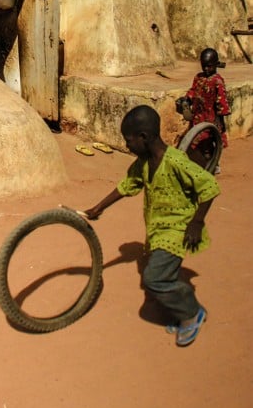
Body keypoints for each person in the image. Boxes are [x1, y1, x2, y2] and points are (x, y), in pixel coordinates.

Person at [83, 105, 220, 347]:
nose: (127, 146)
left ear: (144, 138)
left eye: (129, 140)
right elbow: (127, 186)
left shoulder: (177, 161)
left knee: (154, 278)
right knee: (161, 272)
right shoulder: (144, 163)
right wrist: (99, 207)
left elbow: (209, 186)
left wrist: (197, 222)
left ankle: (191, 313)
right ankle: (183, 305)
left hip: (178, 229)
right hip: (157, 230)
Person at [184, 47, 231, 173]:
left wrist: (218, 120)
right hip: (198, 116)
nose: (206, 69)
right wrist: (187, 99)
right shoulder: (198, 77)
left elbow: (221, 102)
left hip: (211, 117)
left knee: (208, 142)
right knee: (198, 142)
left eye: (209, 66)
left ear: (216, 64)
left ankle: (212, 166)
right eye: (204, 66)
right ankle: (205, 163)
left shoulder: (217, 81)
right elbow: (193, 90)